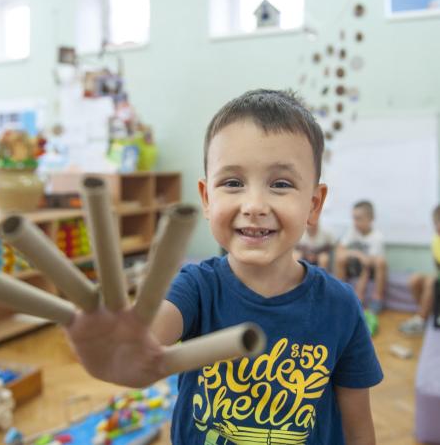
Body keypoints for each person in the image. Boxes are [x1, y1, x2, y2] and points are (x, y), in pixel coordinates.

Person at [67, 89, 383, 444]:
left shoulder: (340, 307)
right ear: (206, 197)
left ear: (313, 204)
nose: (254, 204)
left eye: (280, 184)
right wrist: (122, 347)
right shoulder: (196, 289)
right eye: (232, 183)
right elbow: (148, 335)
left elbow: (358, 428)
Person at [334, 201, 387, 314]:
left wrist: (359, 295)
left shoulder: (377, 237)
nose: (355, 222)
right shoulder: (352, 231)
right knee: (340, 258)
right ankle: (339, 295)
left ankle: (377, 298)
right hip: (354, 265)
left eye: (358, 218)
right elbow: (339, 252)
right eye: (354, 218)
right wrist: (357, 254)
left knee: (380, 261)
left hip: (369, 269)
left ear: (370, 219)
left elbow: (367, 263)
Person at [399, 204, 440, 335]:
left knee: (430, 281)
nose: (437, 227)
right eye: (436, 223)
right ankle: (423, 314)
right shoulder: (435, 240)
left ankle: (421, 320)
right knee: (414, 279)